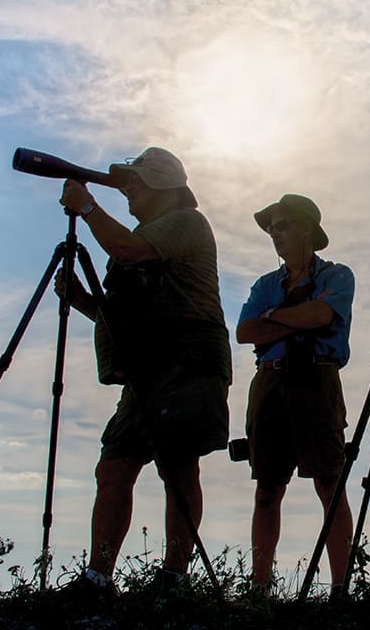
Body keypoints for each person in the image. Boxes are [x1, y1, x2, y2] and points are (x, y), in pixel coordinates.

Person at [55, 147, 233, 594]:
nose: (128, 190)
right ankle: (98, 577)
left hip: (189, 360)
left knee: (178, 466)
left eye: (136, 180)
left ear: (163, 186)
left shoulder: (185, 223)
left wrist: (89, 208)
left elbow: (129, 250)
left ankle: (174, 575)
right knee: (113, 467)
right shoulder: (136, 235)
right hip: (145, 368)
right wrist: (81, 301)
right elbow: (125, 315)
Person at [236, 194, 355, 596]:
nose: (275, 233)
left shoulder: (337, 275)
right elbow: (246, 332)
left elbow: (322, 316)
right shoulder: (265, 284)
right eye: (271, 227)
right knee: (267, 487)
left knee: (329, 482)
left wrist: (272, 319)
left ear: (306, 228)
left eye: (282, 224)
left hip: (317, 380)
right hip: (269, 383)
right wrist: (295, 321)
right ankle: (260, 587)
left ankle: (341, 587)